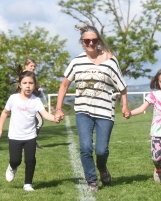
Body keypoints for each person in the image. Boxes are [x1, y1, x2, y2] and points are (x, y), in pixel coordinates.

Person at [55, 23, 130, 192]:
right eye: (86, 41)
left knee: (101, 150)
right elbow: (64, 85)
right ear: (82, 42)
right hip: (83, 111)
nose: (90, 43)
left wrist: (125, 106)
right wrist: (58, 108)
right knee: (86, 148)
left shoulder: (110, 60)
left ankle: (102, 167)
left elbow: (122, 87)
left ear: (98, 41)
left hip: (105, 112)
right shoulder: (76, 61)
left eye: (94, 40)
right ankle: (92, 181)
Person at [0, 70, 60, 191]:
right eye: (25, 83)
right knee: (15, 160)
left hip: (30, 136)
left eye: (31, 83)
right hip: (14, 136)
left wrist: (54, 118)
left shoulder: (36, 100)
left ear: (34, 85)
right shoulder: (13, 98)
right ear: (20, 84)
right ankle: (12, 167)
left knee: (30, 160)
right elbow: (4, 113)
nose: (28, 85)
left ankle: (28, 184)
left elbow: (45, 114)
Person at [24, 58, 46, 149]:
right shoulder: (26, 76)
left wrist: (37, 90)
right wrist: (39, 92)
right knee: (40, 122)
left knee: (31, 124)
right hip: (29, 103)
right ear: (26, 66)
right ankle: (30, 143)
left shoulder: (30, 75)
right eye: (31, 66)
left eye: (34, 66)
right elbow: (28, 91)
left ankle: (30, 143)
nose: (33, 68)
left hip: (30, 102)